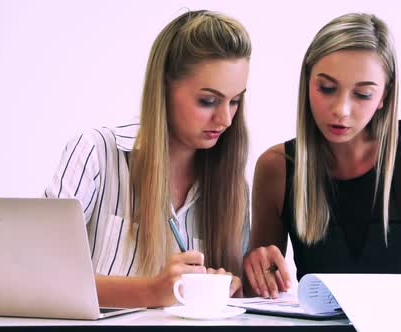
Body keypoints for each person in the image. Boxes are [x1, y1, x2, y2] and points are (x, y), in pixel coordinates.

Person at [244, 13, 401, 300]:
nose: (341, 109)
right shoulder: (276, 166)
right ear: (306, 81)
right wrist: (256, 269)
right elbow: (257, 297)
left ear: (384, 96)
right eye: (326, 88)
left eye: (363, 94)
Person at [44, 10, 251, 308]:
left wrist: (226, 284)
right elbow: (41, 275)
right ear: (165, 86)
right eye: (208, 101)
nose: (225, 119)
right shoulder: (96, 153)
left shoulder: (233, 189)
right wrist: (151, 291)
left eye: (235, 101)